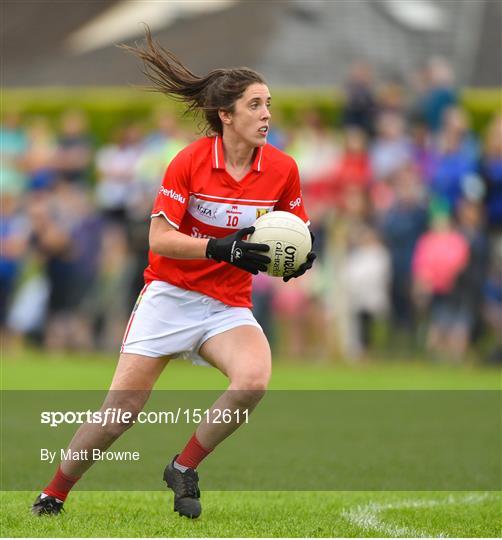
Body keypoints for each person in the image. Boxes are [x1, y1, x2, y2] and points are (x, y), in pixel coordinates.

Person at [32, 28, 315, 519]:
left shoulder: (283, 169)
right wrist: (222, 249)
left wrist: (301, 257)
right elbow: (159, 241)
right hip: (169, 295)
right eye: (254, 105)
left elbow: (295, 231)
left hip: (227, 306)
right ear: (225, 116)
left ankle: (183, 466)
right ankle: (53, 493)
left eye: (268, 103)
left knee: (252, 381)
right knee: (119, 415)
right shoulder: (188, 161)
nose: (266, 114)